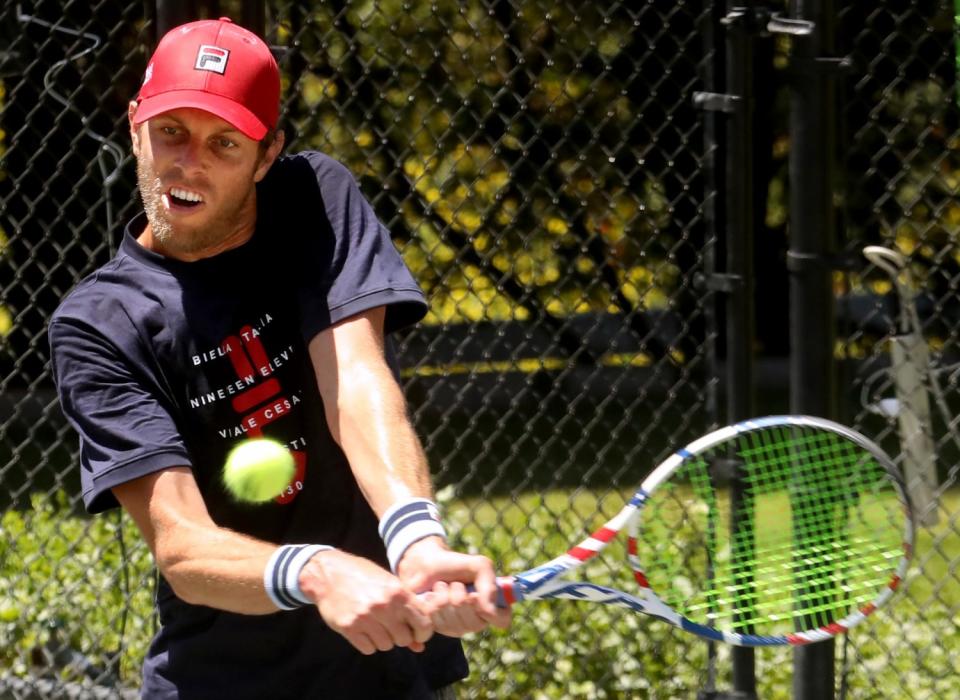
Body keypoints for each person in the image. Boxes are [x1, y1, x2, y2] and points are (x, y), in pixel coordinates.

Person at [48, 17, 509, 699]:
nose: (189, 162)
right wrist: (319, 570)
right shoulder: (98, 325)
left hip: (390, 667)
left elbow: (353, 376)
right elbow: (182, 546)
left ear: (266, 157)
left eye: (224, 143)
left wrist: (418, 544)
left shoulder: (312, 200)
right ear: (134, 124)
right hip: (223, 681)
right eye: (171, 130)